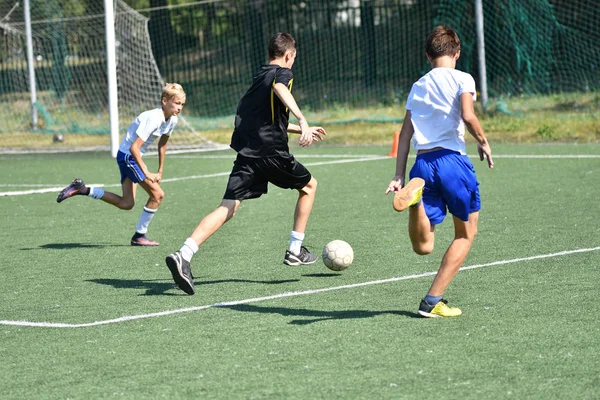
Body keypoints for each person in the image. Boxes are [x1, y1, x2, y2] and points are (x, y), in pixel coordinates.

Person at [165, 32, 326, 295]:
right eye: (293, 57)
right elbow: (280, 88)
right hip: (271, 152)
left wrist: (297, 129)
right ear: (289, 55)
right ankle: (295, 250)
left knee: (228, 207)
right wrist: (304, 120)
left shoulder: (260, 75)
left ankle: (184, 254)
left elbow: (265, 121)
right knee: (309, 187)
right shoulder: (281, 74)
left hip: (248, 153)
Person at [385, 26, 494, 318]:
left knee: (424, 246)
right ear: (456, 53)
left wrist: (399, 175)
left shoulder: (418, 85)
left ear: (427, 56)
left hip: (422, 165)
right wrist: (484, 142)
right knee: (466, 234)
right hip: (452, 162)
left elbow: (405, 133)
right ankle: (433, 300)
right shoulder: (463, 78)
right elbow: (468, 115)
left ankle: (415, 200)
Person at [56, 83, 186, 247]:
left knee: (127, 203)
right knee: (157, 195)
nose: (179, 108)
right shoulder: (155, 118)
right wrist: (146, 172)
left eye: (182, 104)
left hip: (131, 157)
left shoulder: (172, 120)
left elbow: (162, 145)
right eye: (176, 103)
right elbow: (134, 148)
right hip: (128, 156)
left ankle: (83, 189)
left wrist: (160, 170)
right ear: (164, 101)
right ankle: (139, 236)